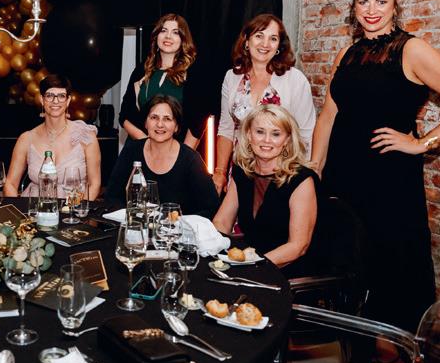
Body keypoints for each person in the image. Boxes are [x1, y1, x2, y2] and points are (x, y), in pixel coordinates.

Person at [311, 0, 440, 359]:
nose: (371, 10)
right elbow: (328, 116)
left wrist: (421, 144)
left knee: (390, 300)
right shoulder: (348, 54)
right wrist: (314, 169)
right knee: (350, 291)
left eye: (381, 2)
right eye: (363, 2)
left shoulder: (411, 50)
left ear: (395, 4)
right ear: (353, 7)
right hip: (344, 185)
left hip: (389, 189)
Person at [214, 14, 316, 193]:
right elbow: (226, 128)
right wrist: (220, 172)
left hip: (283, 173)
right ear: (247, 41)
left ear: (279, 46)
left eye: (273, 38)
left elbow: (306, 134)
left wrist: (301, 181)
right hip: (241, 171)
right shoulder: (232, 77)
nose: (265, 44)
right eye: (259, 36)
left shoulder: (295, 79)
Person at [212, 104, 317, 276]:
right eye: (260, 132)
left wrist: (254, 265)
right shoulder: (242, 172)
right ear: (249, 135)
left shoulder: (301, 179)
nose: (266, 140)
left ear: (287, 140)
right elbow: (222, 222)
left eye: (276, 134)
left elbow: (298, 246)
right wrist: (213, 250)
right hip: (248, 266)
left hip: (287, 272)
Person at [106, 95, 218, 217]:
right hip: (136, 225)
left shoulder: (190, 159)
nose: (160, 124)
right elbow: (112, 197)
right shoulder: (131, 151)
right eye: (154, 117)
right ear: (145, 123)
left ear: (176, 127)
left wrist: (179, 223)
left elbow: (211, 208)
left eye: (167, 119)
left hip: (177, 227)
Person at [4, 74, 101, 200]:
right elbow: (10, 184)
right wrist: (19, 210)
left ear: (68, 100)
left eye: (61, 96)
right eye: (50, 96)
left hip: (74, 208)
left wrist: (76, 208)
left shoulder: (85, 136)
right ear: (42, 100)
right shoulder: (26, 139)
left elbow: (94, 184)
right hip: (34, 208)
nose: (55, 101)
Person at [119, 13, 204, 149]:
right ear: (156, 36)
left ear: (183, 40)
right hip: (139, 149)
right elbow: (124, 116)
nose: (168, 36)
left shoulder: (193, 74)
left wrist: (182, 156)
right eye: (163, 31)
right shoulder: (142, 70)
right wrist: (148, 145)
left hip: (176, 152)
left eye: (175, 32)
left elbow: (196, 124)